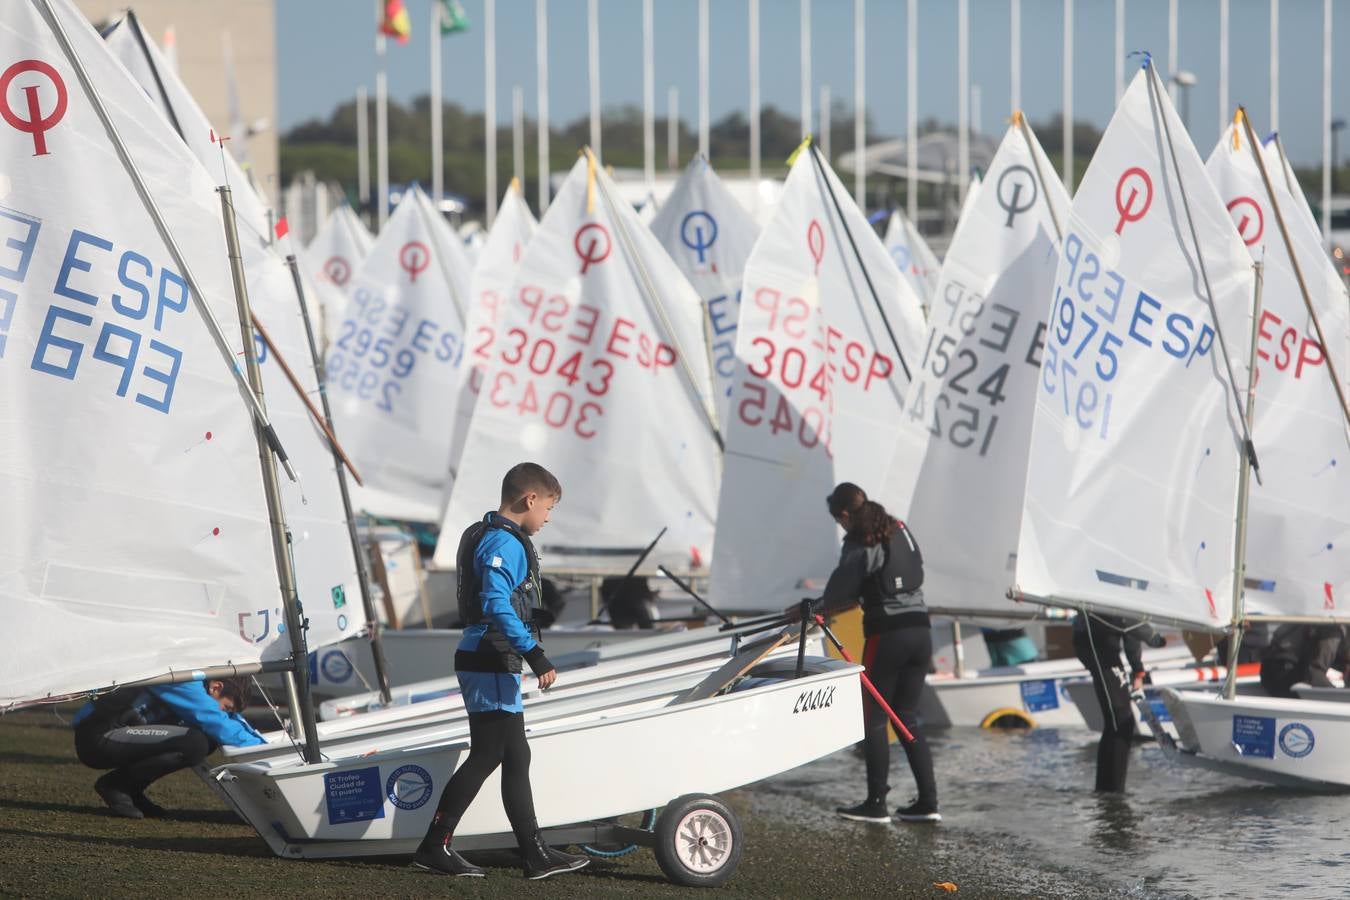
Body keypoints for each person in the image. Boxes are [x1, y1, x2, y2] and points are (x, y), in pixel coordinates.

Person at [413, 462, 589, 880]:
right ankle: (435, 847)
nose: (547, 518)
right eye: (548, 508)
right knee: (489, 753)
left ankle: (534, 852)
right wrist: (535, 654)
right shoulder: (503, 543)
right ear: (530, 499)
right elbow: (495, 603)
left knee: (515, 754)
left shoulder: (492, 534)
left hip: (492, 656)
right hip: (489, 655)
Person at [797, 490, 940, 825]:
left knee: (873, 718)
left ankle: (876, 804)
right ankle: (928, 803)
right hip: (921, 632)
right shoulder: (897, 528)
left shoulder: (861, 540)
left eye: (838, 520)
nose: (841, 527)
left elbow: (840, 594)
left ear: (845, 515)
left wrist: (810, 608)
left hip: (889, 635)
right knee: (906, 716)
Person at [73, 677, 264, 819]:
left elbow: (227, 720)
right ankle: (117, 785)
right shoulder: (182, 679)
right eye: (226, 707)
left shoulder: (198, 685)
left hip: (124, 733)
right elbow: (214, 720)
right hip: (99, 738)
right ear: (216, 687)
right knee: (194, 743)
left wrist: (262, 743)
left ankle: (131, 789)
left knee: (206, 740)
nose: (225, 713)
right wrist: (263, 751)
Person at [1073, 612, 1166, 793]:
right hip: (1096, 641)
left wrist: (1138, 670)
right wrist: (1153, 638)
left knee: (1118, 722)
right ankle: (1112, 793)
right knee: (1121, 721)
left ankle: (1106, 791)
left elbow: (1130, 631)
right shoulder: (1126, 609)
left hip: (1099, 641)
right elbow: (1130, 620)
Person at [1259, 623, 1348, 698]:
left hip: (1272, 668)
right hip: (1284, 674)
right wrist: (1338, 695)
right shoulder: (1332, 631)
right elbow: (1315, 672)